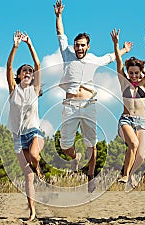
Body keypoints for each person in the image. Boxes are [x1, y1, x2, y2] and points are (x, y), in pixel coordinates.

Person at [53, 0, 129, 192]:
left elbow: (111, 57)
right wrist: (59, 16)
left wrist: (125, 50)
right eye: (77, 45)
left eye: (82, 45)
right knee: (64, 146)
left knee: (91, 143)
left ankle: (91, 174)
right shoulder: (67, 54)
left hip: (89, 105)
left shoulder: (94, 59)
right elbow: (61, 35)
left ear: (88, 46)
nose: (79, 48)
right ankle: (76, 158)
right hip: (69, 105)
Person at [6, 31, 44, 221]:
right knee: (28, 177)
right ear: (19, 76)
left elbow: (38, 65)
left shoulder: (35, 90)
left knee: (35, 156)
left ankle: (39, 168)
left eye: (30, 72)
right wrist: (15, 46)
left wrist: (29, 44)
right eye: (24, 71)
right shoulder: (13, 91)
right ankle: (32, 212)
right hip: (18, 138)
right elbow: (9, 66)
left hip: (34, 133)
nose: (28, 73)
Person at [110, 29, 145, 191]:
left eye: (136, 73)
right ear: (128, 73)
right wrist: (116, 44)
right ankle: (125, 174)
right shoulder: (124, 83)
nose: (134, 76)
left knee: (141, 155)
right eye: (131, 73)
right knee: (133, 144)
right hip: (126, 120)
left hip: (142, 122)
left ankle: (132, 174)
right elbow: (119, 63)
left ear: (140, 73)